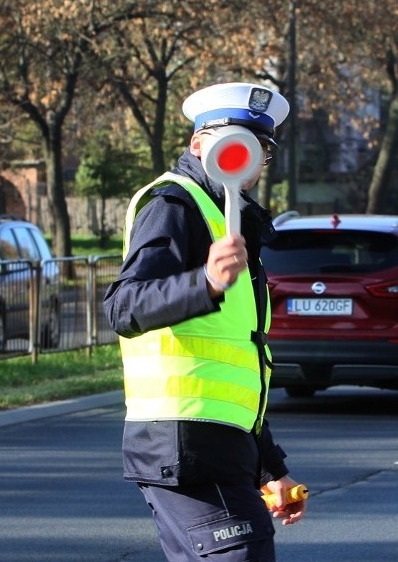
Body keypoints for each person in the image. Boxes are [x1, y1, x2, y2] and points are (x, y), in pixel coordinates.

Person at [104, 82, 306, 561]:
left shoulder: (231, 221)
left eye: (262, 149)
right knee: (244, 552)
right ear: (200, 145)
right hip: (182, 442)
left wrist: (270, 468)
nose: (252, 158)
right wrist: (206, 283)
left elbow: (238, 368)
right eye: (239, 143)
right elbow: (123, 307)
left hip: (220, 443)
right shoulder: (174, 205)